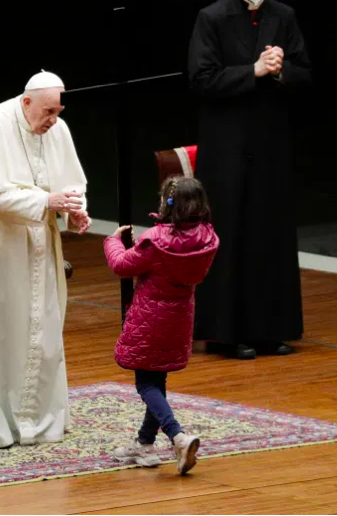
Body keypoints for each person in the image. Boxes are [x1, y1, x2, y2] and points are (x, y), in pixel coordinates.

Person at [0, 70, 92, 448]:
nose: (53, 121)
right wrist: (47, 201)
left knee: (38, 326)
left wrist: (75, 208)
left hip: (37, 239)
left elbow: (71, 182)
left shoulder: (56, 128)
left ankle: (36, 419)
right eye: (47, 112)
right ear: (26, 102)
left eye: (58, 111)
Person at [187, 0, 311, 360]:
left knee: (269, 232)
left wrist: (279, 69)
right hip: (227, 143)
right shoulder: (211, 17)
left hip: (270, 142)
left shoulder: (284, 15)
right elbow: (202, 78)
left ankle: (271, 330)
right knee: (231, 232)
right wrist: (252, 70)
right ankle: (225, 334)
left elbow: (304, 72)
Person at [104, 176, 219, 475]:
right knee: (158, 380)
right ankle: (144, 444)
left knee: (146, 383)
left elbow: (121, 265)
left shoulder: (155, 241)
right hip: (180, 317)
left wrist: (112, 240)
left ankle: (178, 436)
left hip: (151, 318)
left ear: (168, 204)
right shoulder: (207, 237)